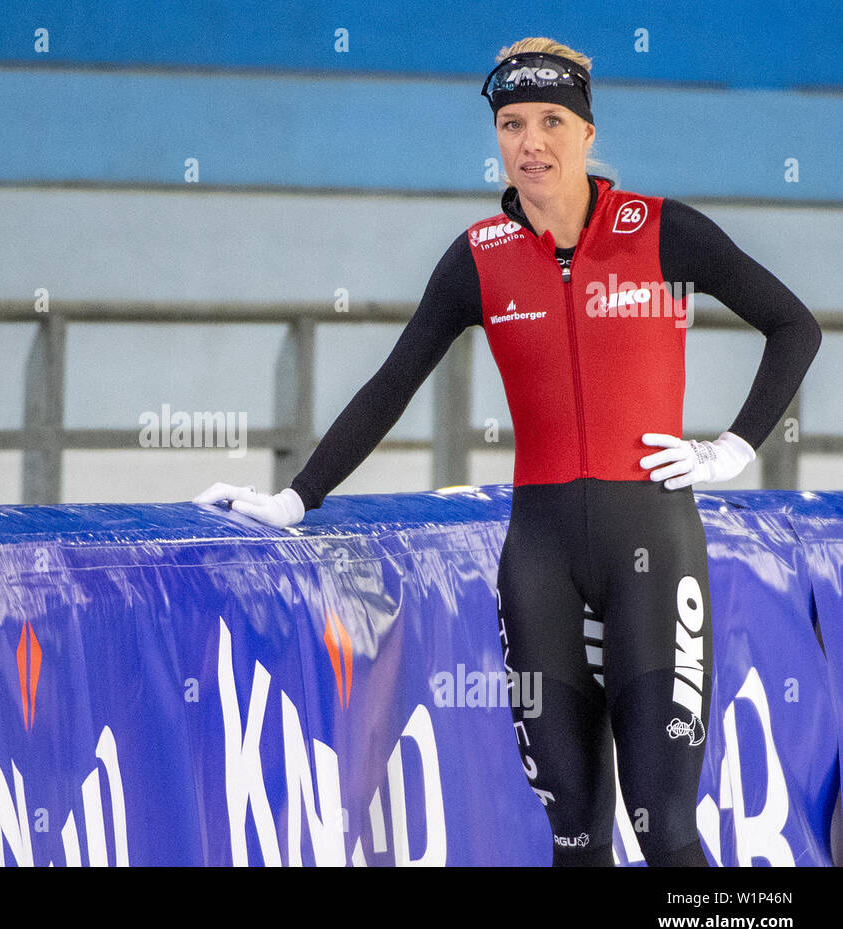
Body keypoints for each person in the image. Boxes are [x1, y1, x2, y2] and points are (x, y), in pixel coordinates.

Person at [195, 37, 821, 866]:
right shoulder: (480, 259)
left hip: (655, 552)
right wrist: (297, 496)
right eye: (513, 123)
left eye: (553, 120)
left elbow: (795, 327)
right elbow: (394, 381)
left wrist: (733, 448)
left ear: (588, 133)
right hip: (540, 561)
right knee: (573, 838)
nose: (532, 141)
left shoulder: (663, 232)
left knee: (665, 832)